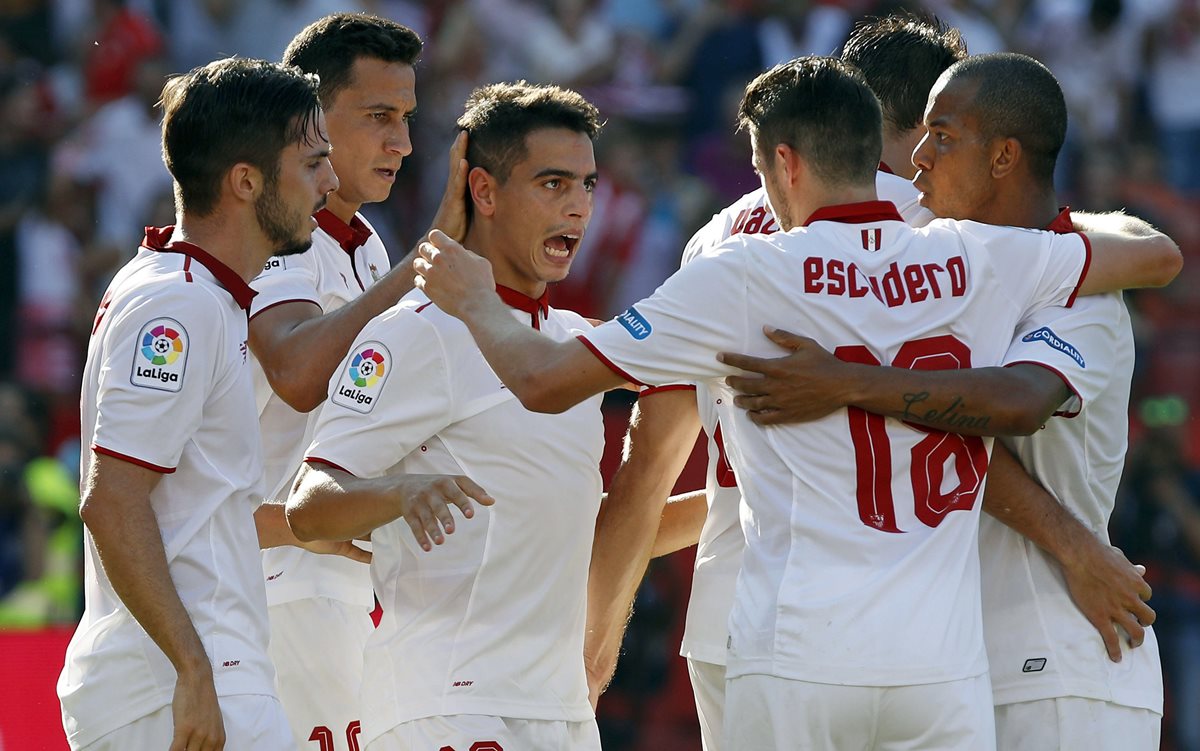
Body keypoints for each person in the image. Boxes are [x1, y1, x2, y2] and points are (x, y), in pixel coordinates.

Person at [412, 56, 1181, 749]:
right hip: (939, 666)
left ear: (782, 162)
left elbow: (552, 386)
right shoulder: (971, 255)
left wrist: (473, 299)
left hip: (792, 647)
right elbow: (1154, 256)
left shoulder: (739, 263)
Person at [723, 52, 1164, 748]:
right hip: (955, 665)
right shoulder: (940, 269)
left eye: (944, 137)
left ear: (1004, 156)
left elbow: (1014, 404)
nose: (919, 159)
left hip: (1062, 654)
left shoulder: (1082, 294)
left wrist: (849, 380)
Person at [583, 16, 966, 749]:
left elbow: (651, 455)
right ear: (931, 126)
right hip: (915, 627)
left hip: (740, 613)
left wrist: (597, 638)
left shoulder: (716, 238)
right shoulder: (953, 236)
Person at [286, 81, 605, 750]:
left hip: (563, 711)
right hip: (449, 705)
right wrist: (400, 492)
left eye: (586, 185)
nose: (578, 206)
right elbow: (310, 505)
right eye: (552, 184)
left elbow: (577, 523)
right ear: (482, 191)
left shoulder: (575, 345)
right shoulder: (417, 331)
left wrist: (735, 508)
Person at [58, 57, 342, 751]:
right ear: (246, 181)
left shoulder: (189, 292)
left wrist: (330, 525)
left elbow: (196, 509)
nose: (330, 184)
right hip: (180, 680)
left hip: (195, 673)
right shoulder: (179, 305)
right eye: (312, 163)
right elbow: (112, 500)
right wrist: (192, 667)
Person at [247, 14, 468, 749]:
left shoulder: (365, 240)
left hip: (335, 577)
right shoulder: (272, 234)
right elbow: (297, 374)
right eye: (378, 117)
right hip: (274, 581)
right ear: (308, 117)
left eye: (406, 118)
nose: (402, 143)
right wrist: (424, 262)